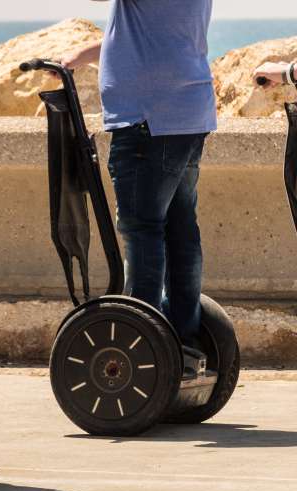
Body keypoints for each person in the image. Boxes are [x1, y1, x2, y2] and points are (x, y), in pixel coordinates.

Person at [58, 1, 216, 358]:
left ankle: (145, 344)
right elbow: (156, 34)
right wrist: (85, 54)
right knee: (180, 230)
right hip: (185, 111)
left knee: (144, 230)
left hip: (148, 118)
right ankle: (182, 337)